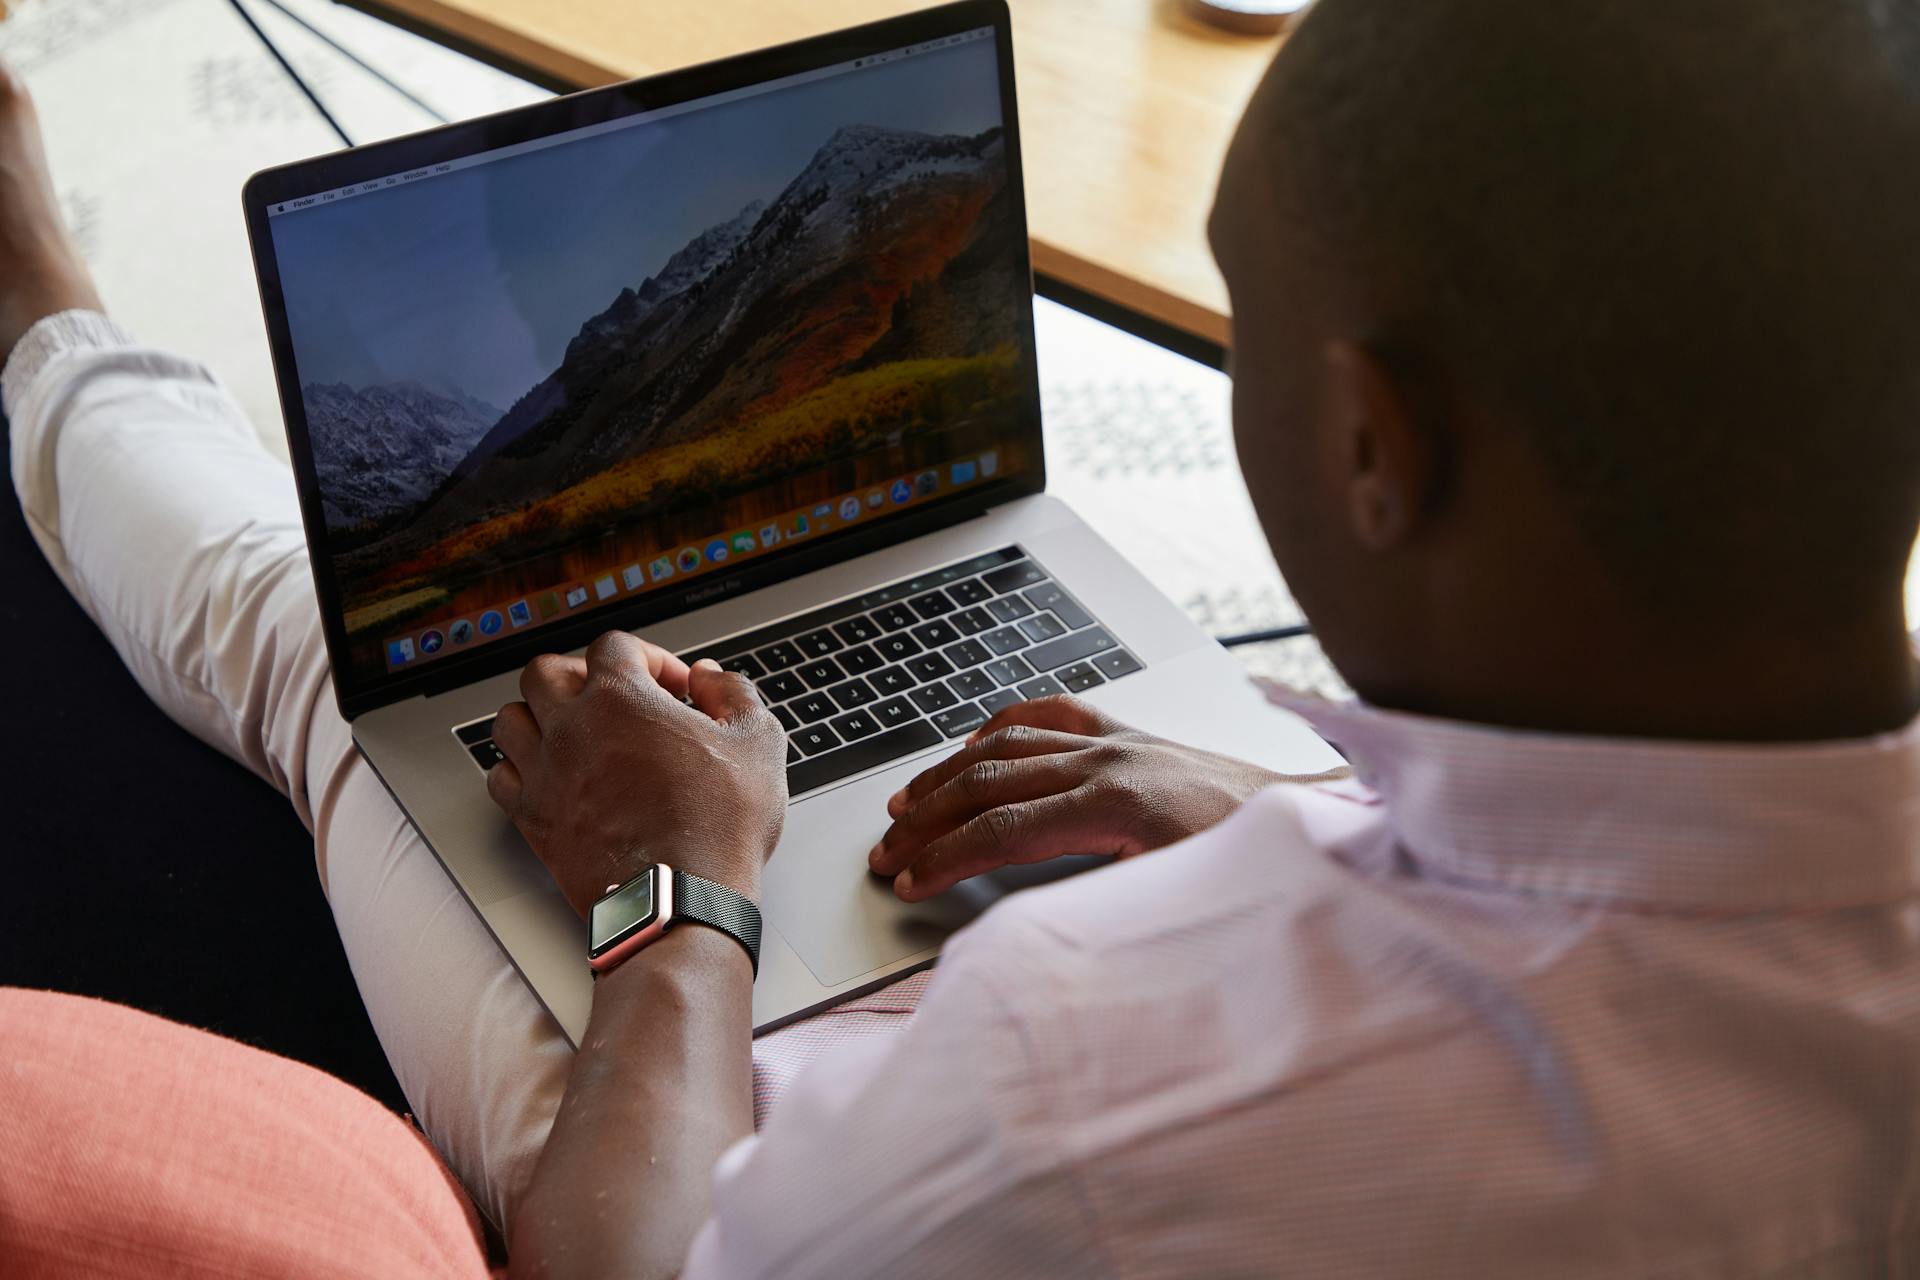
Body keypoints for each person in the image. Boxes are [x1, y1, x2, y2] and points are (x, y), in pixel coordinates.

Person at [7, 0, 1920, 1273]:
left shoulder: (1076, 1083)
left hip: (722, 1126)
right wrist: (1283, 814)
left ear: (1368, 445)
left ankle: (35, 297)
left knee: (329, 675)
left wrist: (678, 902)